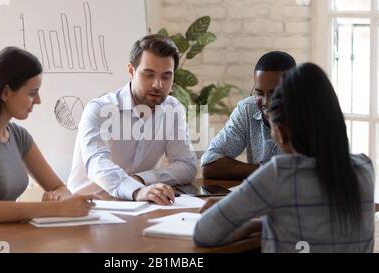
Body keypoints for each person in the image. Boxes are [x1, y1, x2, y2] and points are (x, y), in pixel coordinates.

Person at [194, 63, 375, 253]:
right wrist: (263, 223)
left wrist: (245, 219)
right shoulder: (365, 168)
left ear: (279, 131)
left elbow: (204, 233)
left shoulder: (280, 174)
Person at [0, 47, 96, 225]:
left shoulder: (18, 136)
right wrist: (56, 208)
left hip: (3, 239)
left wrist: (58, 196)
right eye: (32, 93)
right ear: (5, 92)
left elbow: (59, 187)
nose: (38, 100)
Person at [67, 34, 197, 205]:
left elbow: (187, 165)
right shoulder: (99, 109)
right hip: (89, 208)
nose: (158, 85)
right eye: (149, 75)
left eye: (166, 76)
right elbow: (96, 163)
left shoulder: (173, 110)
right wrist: (135, 189)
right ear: (131, 71)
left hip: (137, 207)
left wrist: (140, 180)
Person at [201, 51, 296, 180]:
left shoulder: (312, 116)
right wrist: (266, 170)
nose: (266, 102)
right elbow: (209, 163)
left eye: (275, 94)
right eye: (259, 93)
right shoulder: (248, 109)